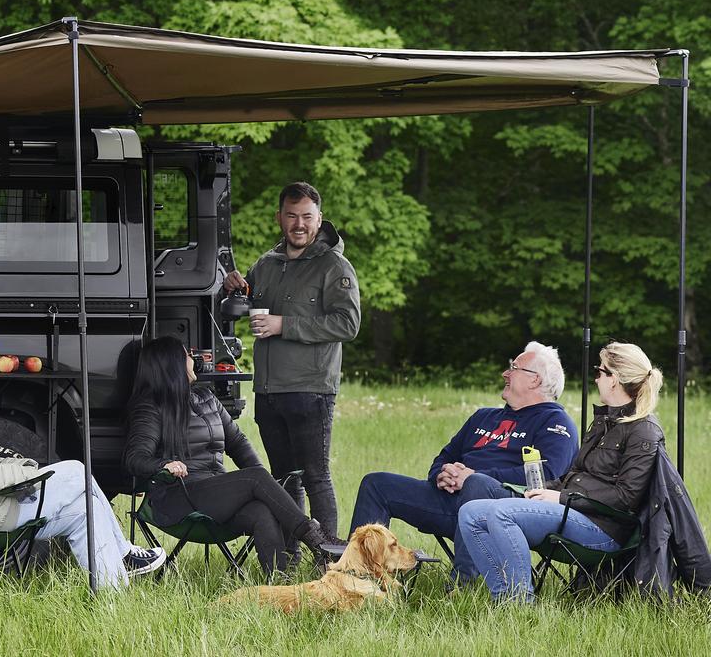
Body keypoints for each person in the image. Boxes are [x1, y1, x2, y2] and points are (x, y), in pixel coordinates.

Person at [0, 339, 166, 588]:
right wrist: (24, 472)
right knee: (76, 471)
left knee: (85, 510)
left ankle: (112, 593)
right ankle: (125, 553)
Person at [345, 342, 578, 575]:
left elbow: (548, 475)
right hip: (449, 501)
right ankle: (355, 574)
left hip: (505, 509)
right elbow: (445, 456)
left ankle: (462, 586)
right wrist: (442, 474)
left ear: (535, 380)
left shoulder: (555, 423)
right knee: (376, 484)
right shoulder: (484, 417)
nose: (505, 373)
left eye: (514, 367)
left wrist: (473, 477)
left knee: (478, 485)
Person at [457, 342, 665, 603]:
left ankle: (519, 603)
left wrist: (562, 499)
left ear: (615, 380)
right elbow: (575, 474)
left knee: (501, 513)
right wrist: (544, 490)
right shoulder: (604, 421)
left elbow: (626, 497)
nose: (595, 377)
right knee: (471, 513)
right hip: (574, 511)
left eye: (600, 372)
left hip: (605, 528)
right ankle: (505, 596)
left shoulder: (643, 430)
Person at [124, 336, 346, 577]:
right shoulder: (151, 407)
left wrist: (270, 489)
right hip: (178, 497)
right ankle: (317, 540)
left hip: (215, 496)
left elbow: (238, 444)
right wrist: (164, 464)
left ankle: (280, 584)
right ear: (172, 363)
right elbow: (135, 458)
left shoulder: (207, 399)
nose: (193, 359)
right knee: (256, 478)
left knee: (261, 511)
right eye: (187, 355)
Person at [223, 181, 359, 536]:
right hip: (268, 390)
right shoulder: (267, 263)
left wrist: (285, 324)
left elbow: (348, 323)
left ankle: (328, 561)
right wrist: (236, 288)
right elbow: (249, 303)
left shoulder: (334, 266)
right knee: (284, 481)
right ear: (279, 217)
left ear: (319, 219)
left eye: (307, 217)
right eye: (292, 216)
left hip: (311, 389)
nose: (299, 224)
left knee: (316, 477)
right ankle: (289, 556)